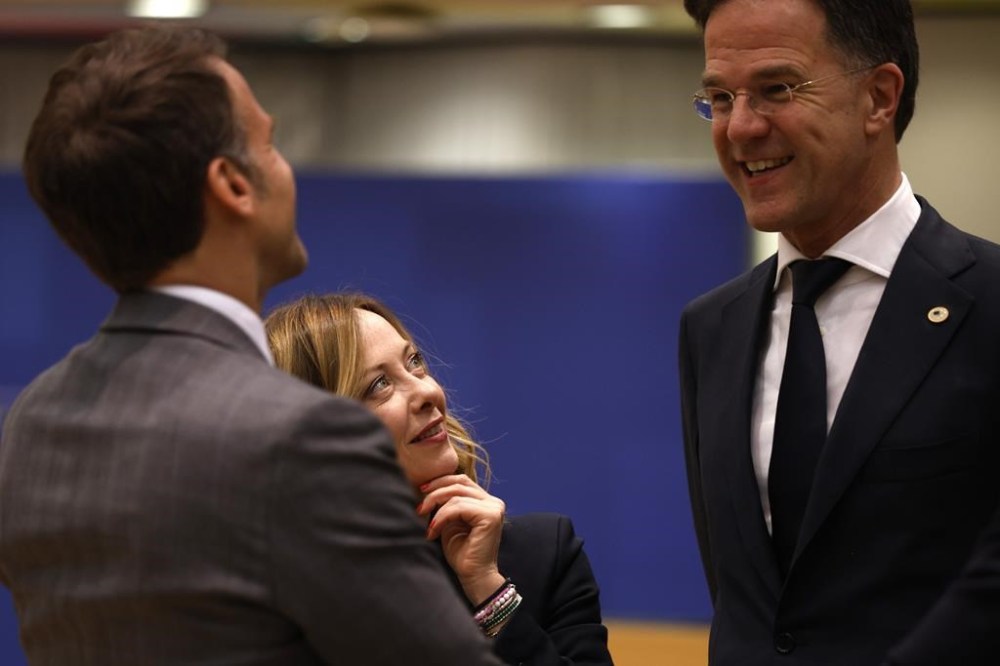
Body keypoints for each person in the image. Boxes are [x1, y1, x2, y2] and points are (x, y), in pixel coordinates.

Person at [0, 25, 504, 665]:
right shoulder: (302, 437)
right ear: (233, 186)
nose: (285, 166)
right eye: (270, 144)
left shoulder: (32, 423)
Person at [678, 0, 1000, 664]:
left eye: (776, 89)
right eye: (719, 97)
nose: (740, 128)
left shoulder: (990, 304)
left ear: (879, 98)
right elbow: (748, 605)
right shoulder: (710, 328)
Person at [264, 292, 614, 665]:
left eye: (414, 362)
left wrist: (489, 593)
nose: (428, 391)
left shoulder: (545, 555)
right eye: (378, 385)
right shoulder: (271, 606)